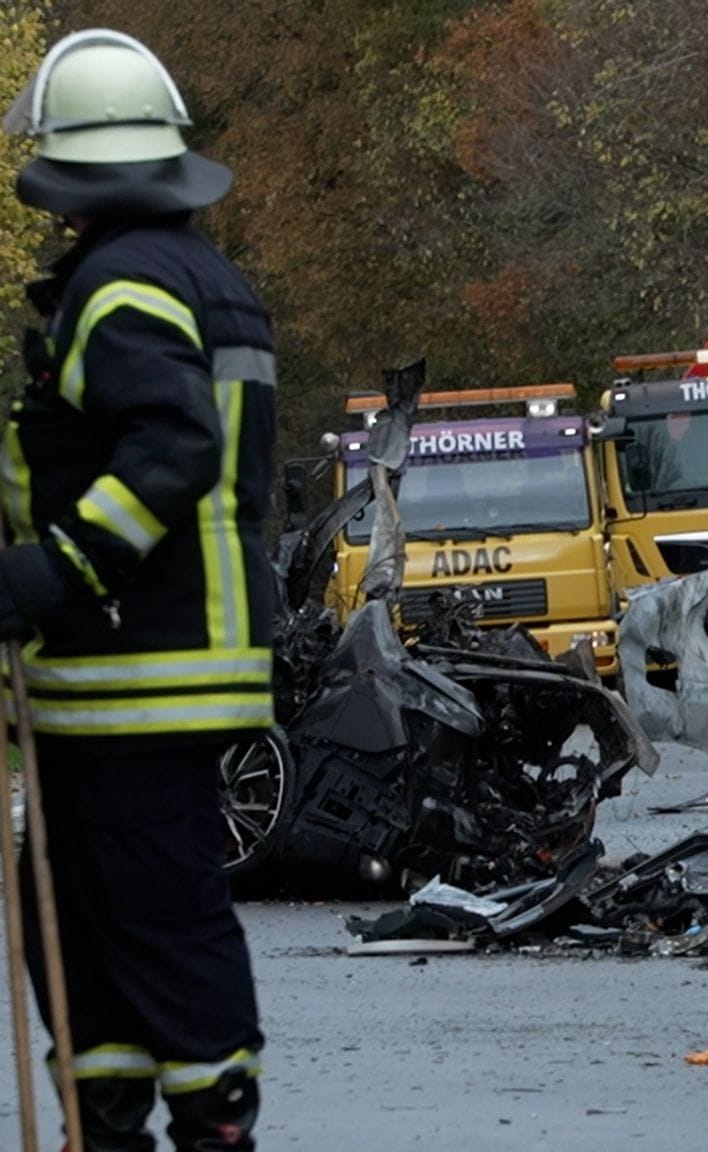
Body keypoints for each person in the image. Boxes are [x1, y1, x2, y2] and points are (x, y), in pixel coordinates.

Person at [2, 29, 275, 1151]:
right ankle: (105, 1114)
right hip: (169, 664)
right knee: (85, 913)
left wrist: (56, 570)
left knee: (153, 920)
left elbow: (171, 448)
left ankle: (198, 1124)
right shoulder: (202, 279)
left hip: (131, 667)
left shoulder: (119, 290)